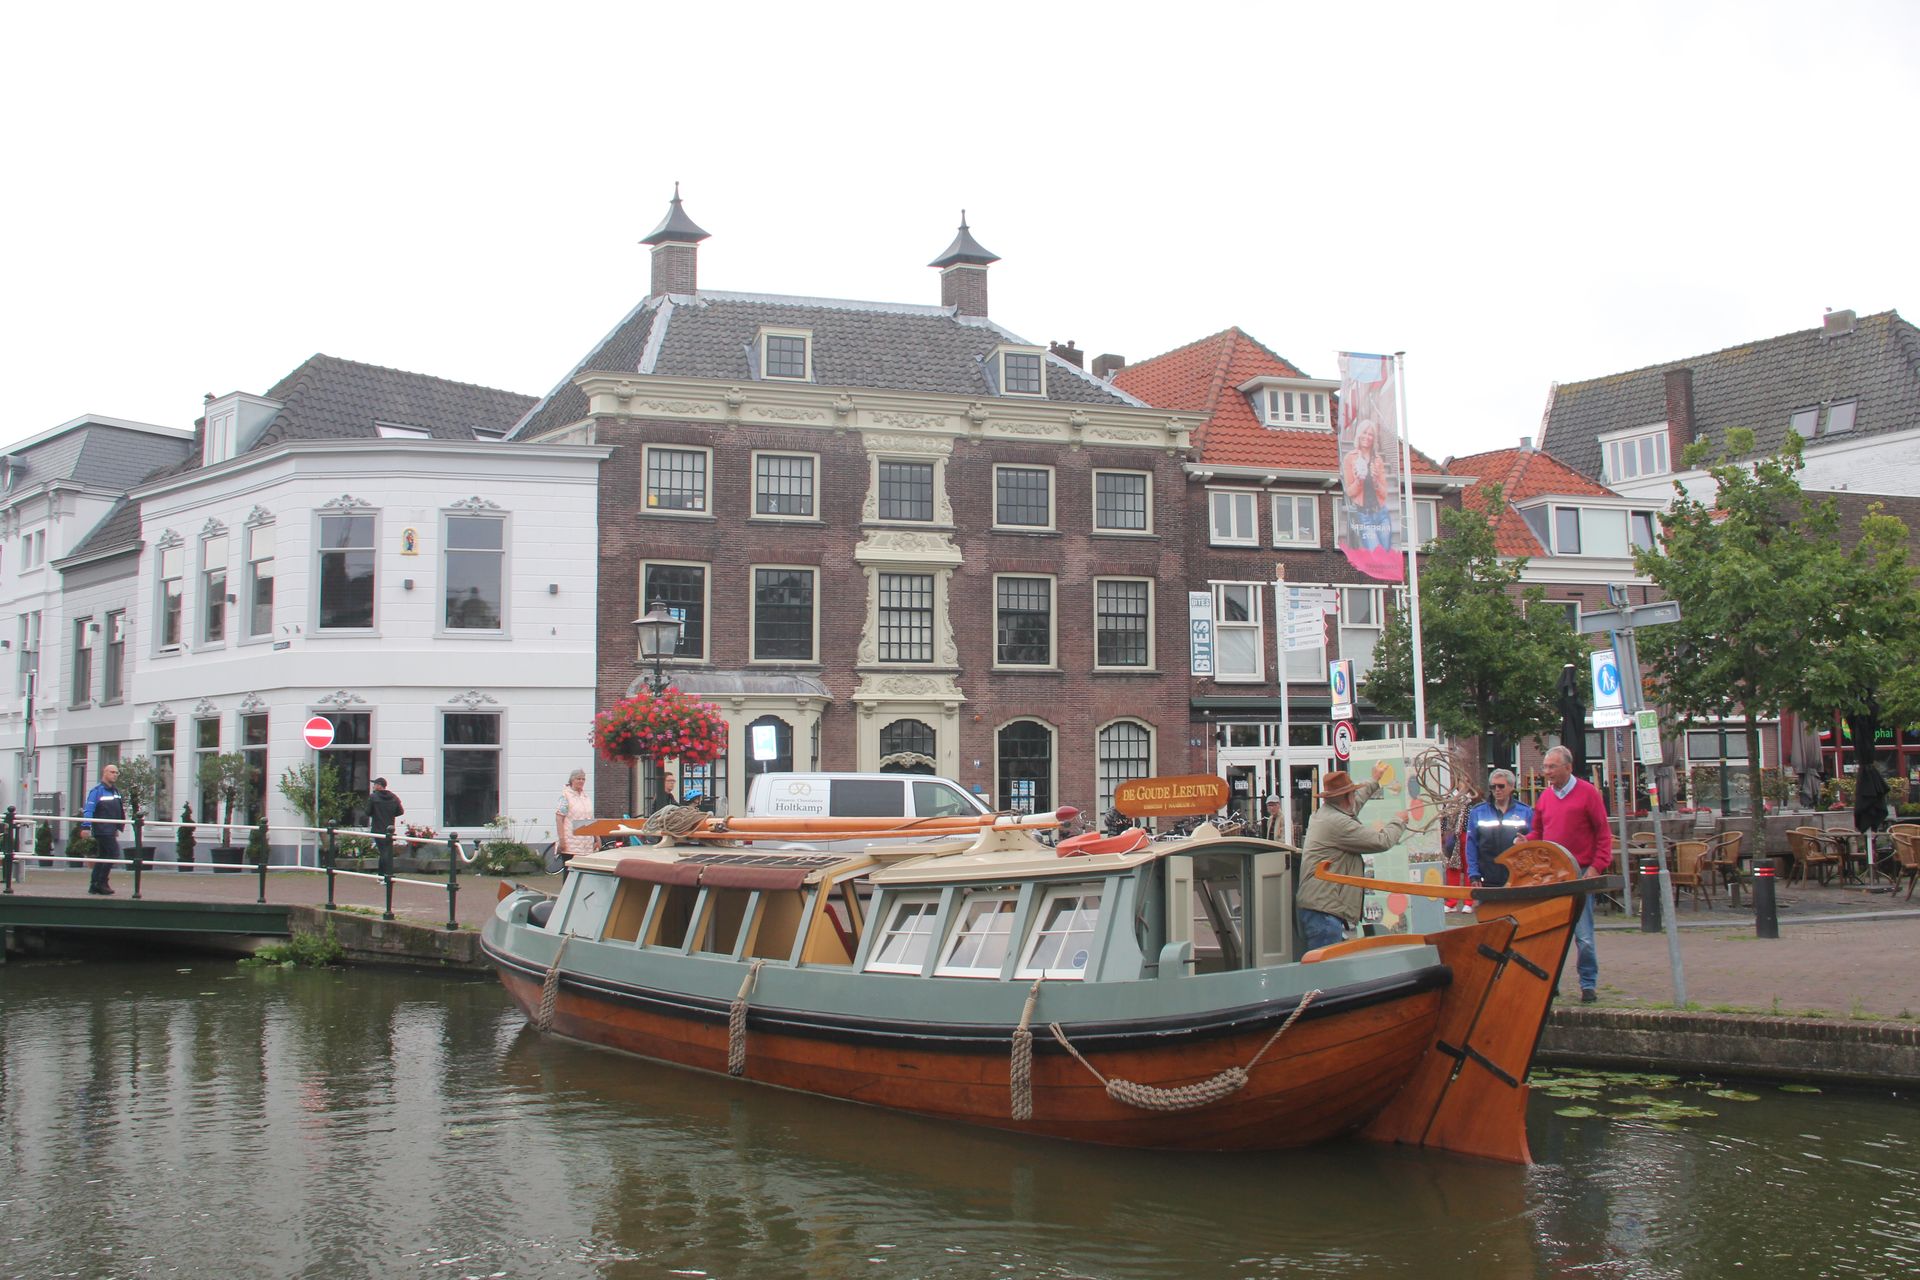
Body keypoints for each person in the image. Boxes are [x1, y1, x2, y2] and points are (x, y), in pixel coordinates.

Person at [1295, 763, 1411, 953]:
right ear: (1345, 797)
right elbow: (1381, 841)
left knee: (1327, 968)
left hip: (1320, 907)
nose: (1353, 796)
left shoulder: (1326, 813)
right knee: (1326, 972)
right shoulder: (1338, 823)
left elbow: (1355, 801)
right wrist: (1399, 821)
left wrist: (1374, 780)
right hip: (1323, 912)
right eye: (1351, 793)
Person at [1529, 745, 1614, 1003]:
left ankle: (1588, 984)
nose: (1547, 772)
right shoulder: (1545, 798)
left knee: (1584, 936)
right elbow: (1539, 833)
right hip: (1552, 877)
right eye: (1545, 767)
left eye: (1552, 767)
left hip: (1579, 875)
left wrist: (1597, 866)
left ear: (1568, 767)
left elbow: (1603, 833)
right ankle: (1550, 982)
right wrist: (1525, 841)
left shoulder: (1588, 794)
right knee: (1553, 935)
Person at [1465, 769, 1534, 889]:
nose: (1497, 790)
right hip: (1487, 878)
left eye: (1501, 786)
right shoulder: (1478, 812)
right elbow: (1471, 844)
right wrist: (1473, 874)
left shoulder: (1525, 812)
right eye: (1493, 786)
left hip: (1518, 878)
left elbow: (1534, 842)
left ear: (1511, 787)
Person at [1340, 417, 1395, 551]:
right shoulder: (1350, 459)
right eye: (1364, 433)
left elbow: (1384, 493)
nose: (1367, 437)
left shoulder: (1378, 460)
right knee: (1375, 552)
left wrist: (1376, 482)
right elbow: (1350, 492)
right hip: (1364, 515)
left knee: (1386, 553)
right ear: (1359, 435)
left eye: (1370, 434)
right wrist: (1359, 481)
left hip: (1382, 514)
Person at [81, 762, 124, 895]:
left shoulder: (115, 791)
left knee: (104, 855)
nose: (115, 775)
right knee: (112, 853)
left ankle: (95, 884)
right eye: (112, 772)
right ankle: (101, 882)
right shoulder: (97, 791)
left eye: (117, 772)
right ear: (104, 773)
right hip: (102, 828)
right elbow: (89, 809)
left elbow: (117, 809)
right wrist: (86, 826)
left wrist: (118, 826)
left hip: (110, 828)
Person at [556, 768, 595, 865]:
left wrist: (597, 838)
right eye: (578, 779)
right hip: (571, 845)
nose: (581, 781)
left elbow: (591, 819)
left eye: (583, 779)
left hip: (587, 844)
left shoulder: (586, 797)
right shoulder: (566, 796)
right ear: (572, 780)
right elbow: (559, 818)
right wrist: (562, 839)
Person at [368, 777, 404, 869]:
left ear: (379, 786)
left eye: (375, 784)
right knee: (386, 851)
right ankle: (382, 875)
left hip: (377, 828)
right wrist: (390, 814)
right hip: (390, 829)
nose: (373, 786)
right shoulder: (394, 797)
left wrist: (375, 813)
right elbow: (400, 811)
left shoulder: (373, 797)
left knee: (383, 852)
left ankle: (385, 874)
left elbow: (367, 812)